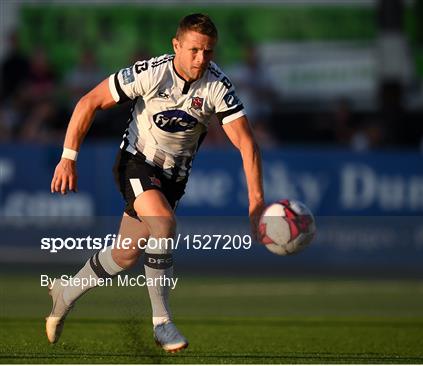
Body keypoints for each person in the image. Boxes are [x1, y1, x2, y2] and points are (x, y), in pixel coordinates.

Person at [47, 13, 265, 353]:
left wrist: (256, 201)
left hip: (173, 178)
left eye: (208, 52)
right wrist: (68, 157)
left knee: (125, 255)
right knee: (163, 223)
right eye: (193, 50)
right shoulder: (151, 73)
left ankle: (66, 292)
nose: (200, 59)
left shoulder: (217, 86)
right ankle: (162, 322)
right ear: (176, 45)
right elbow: (89, 101)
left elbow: (247, 143)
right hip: (136, 161)